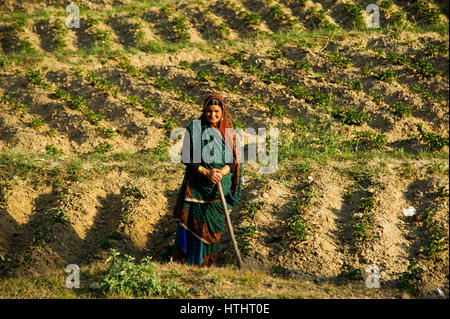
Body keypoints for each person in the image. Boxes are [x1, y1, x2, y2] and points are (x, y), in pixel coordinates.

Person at [171, 94, 243, 267]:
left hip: (219, 187)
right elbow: (186, 157)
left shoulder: (228, 132)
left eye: (216, 112)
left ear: (222, 112)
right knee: (193, 223)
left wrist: (221, 173)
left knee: (212, 225)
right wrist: (206, 172)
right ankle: (190, 262)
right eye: (209, 111)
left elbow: (234, 160)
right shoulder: (195, 128)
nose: (212, 115)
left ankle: (208, 264)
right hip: (197, 185)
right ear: (204, 111)